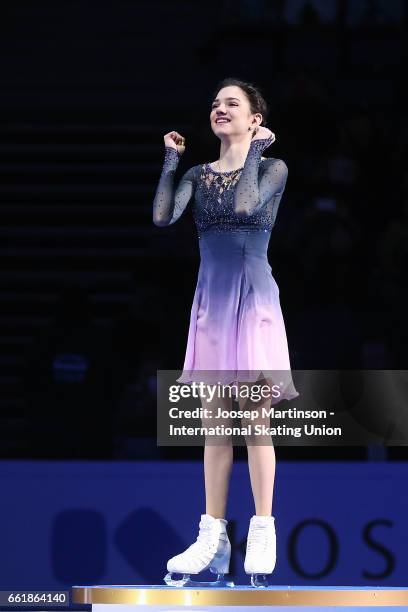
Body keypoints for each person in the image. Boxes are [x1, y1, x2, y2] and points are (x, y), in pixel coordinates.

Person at [153, 77, 299, 588]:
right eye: (215, 103)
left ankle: (262, 527)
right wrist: (172, 162)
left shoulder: (274, 168)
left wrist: (255, 153)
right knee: (215, 427)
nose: (220, 109)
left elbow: (244, 206)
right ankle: (211, 534)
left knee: (255, 420)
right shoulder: (198, 172)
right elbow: (163, 216)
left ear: (255, 119)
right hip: (211, 305)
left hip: (253, 298)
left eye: (232, 104)